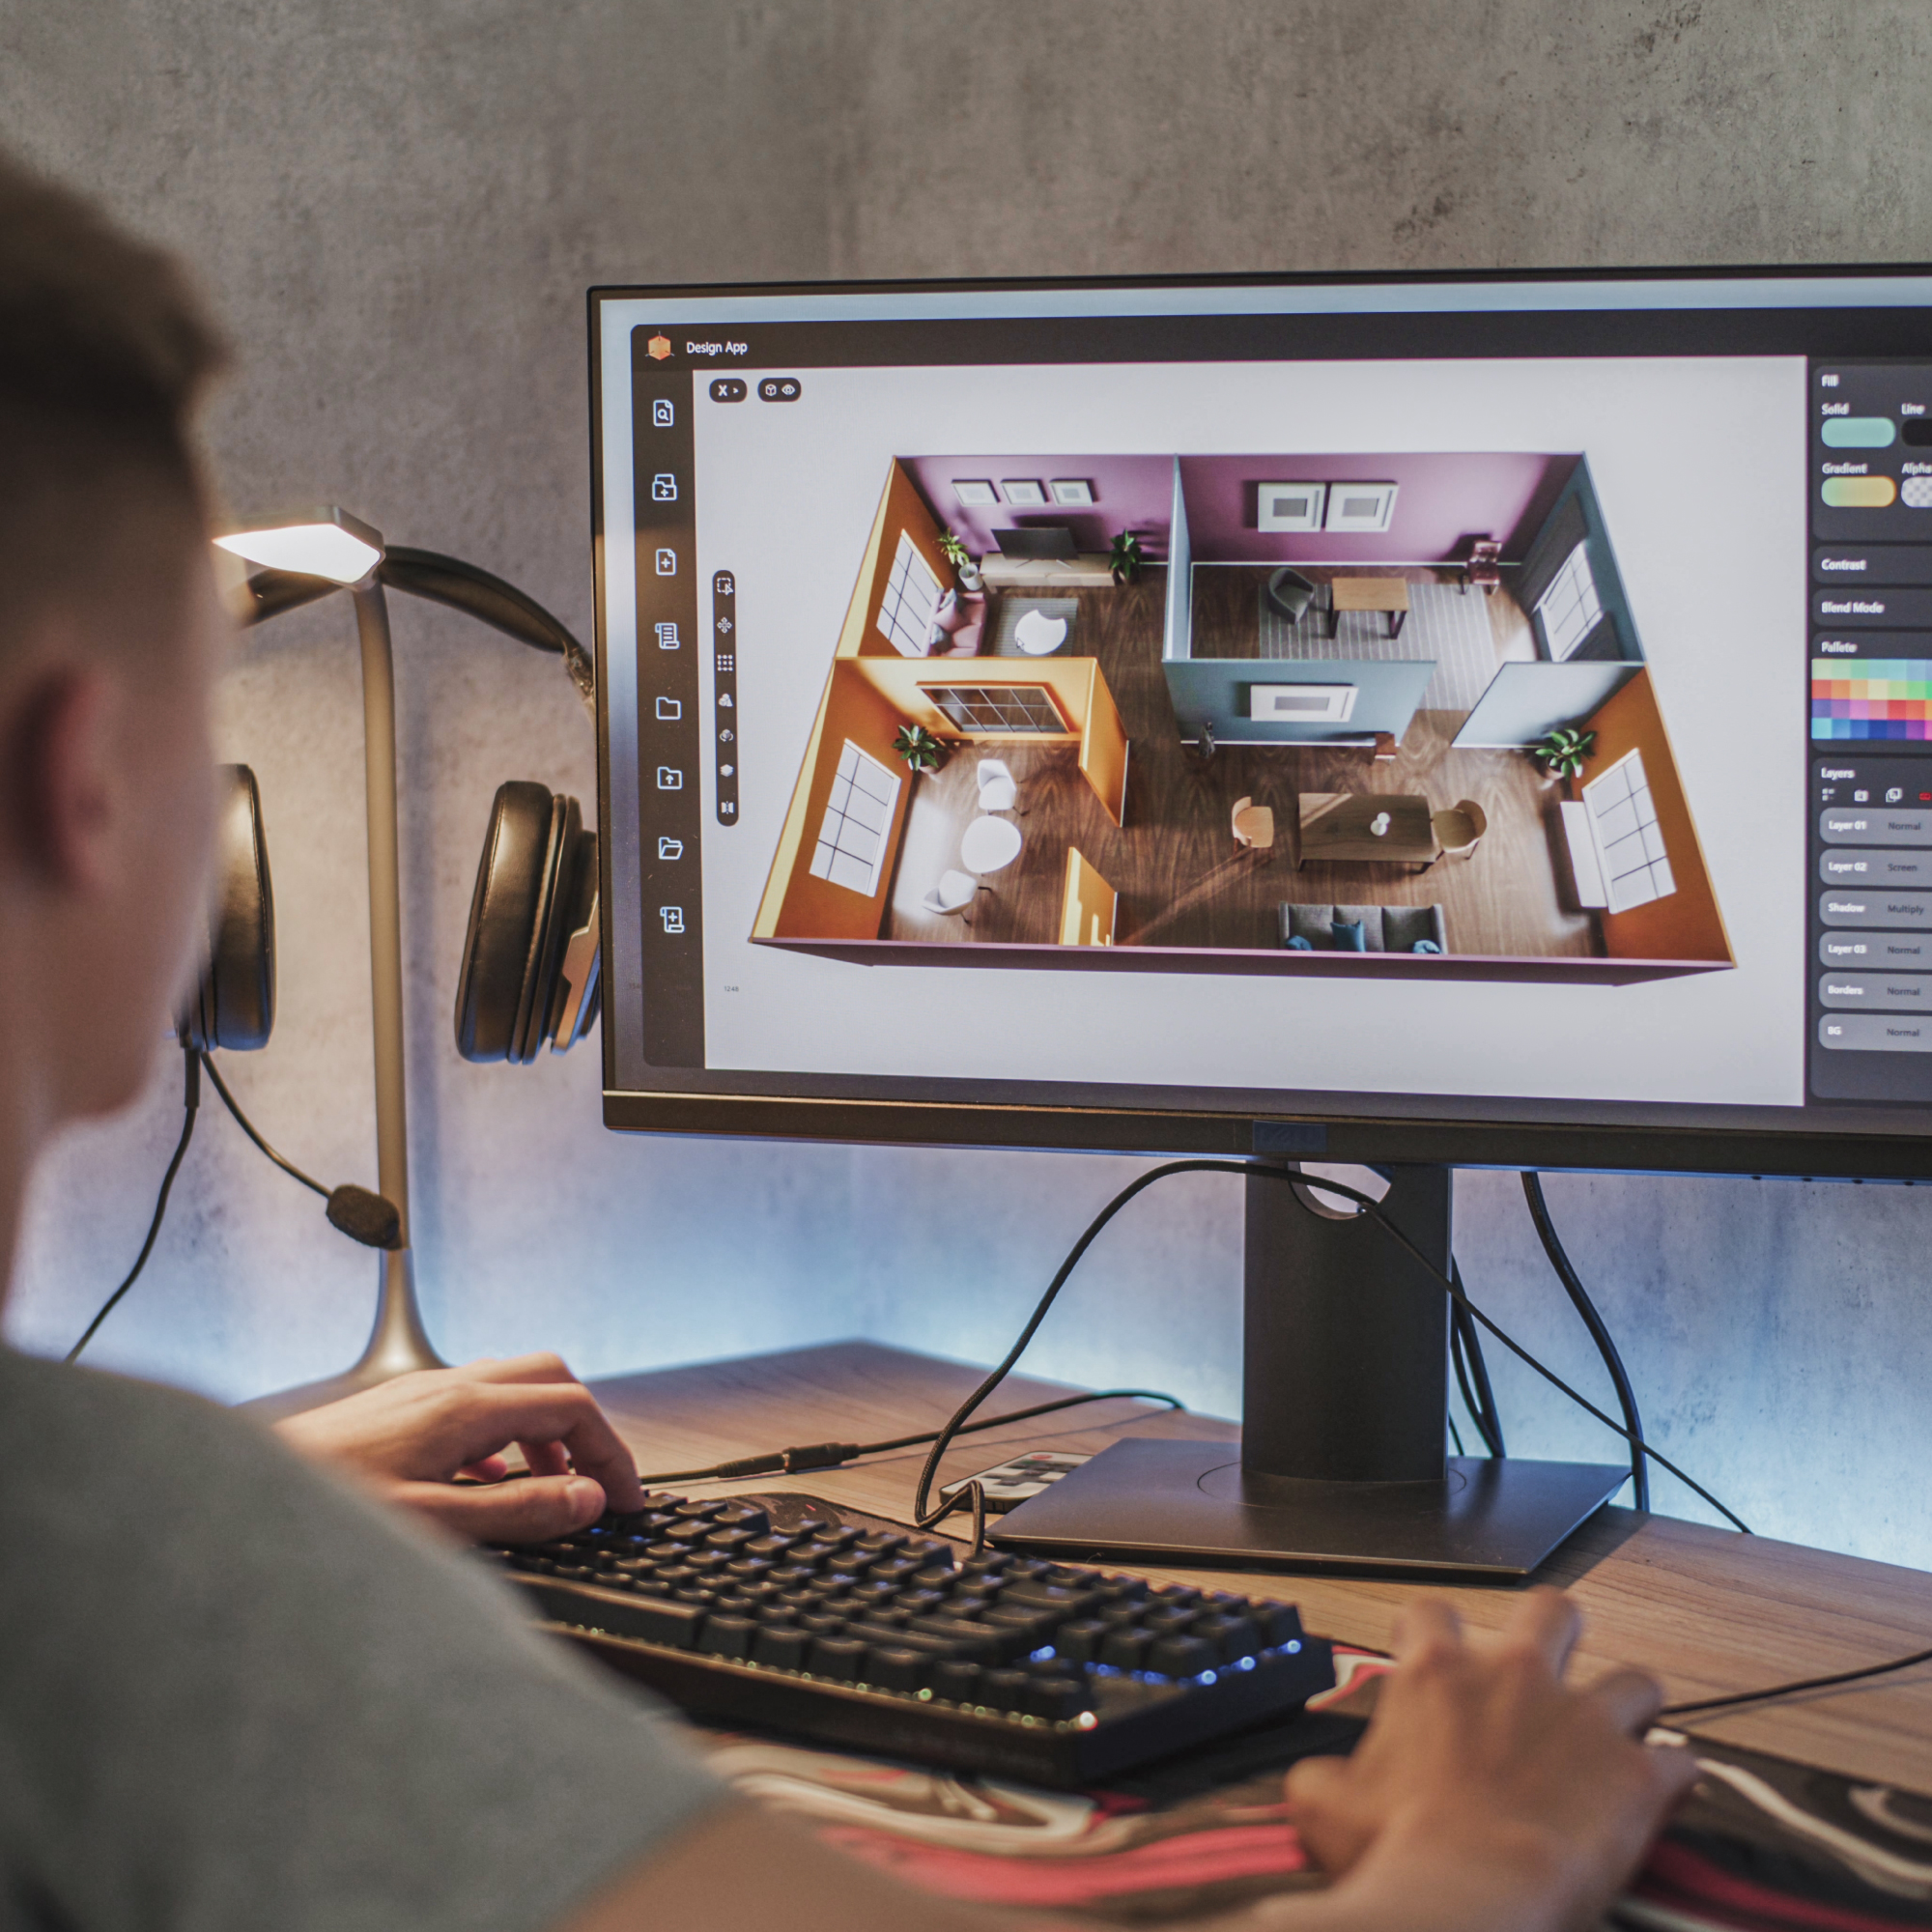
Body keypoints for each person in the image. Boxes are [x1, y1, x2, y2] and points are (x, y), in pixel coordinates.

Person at [0, 147, 1698, 1932]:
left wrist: (260, 1499)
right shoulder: (107, 1554)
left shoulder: (114, 1552)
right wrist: (1488, 1851)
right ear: (84, 779)